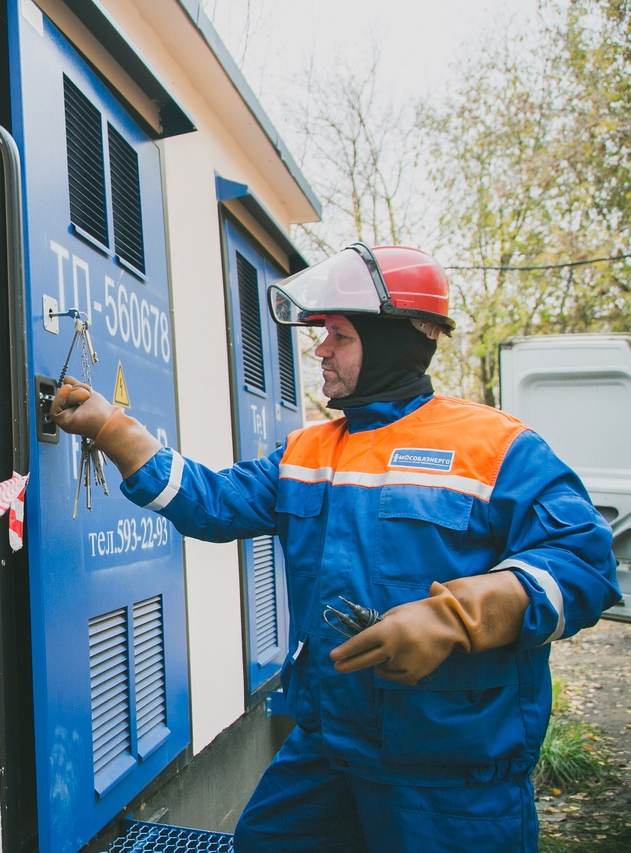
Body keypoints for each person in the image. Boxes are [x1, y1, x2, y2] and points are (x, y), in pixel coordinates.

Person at [49, 243, 621, 852]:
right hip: (329, 747)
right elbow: (211, 503)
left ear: (397, 342)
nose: (319, 349)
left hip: (450, 773)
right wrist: (113, 428)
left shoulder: (499, 447)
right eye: (321, 333)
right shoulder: (308, 451)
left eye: (339, 335)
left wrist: (457, 617)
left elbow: (583, 565)